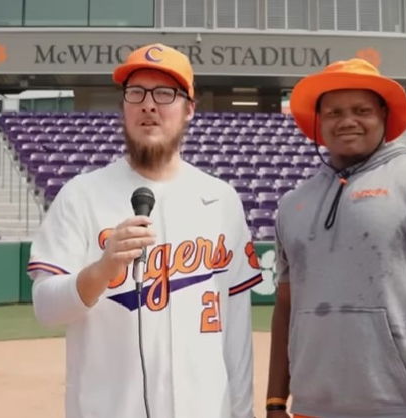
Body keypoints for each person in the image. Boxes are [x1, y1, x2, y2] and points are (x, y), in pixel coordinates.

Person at [28, 43, 262, 418]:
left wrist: (244, 412)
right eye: (136, 93)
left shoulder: (221, 198)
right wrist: (102, 269)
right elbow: (46, 308)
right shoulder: (81, 195)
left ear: (189, 110)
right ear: (123, 106)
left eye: (165, 93)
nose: (148, 105)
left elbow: (235, 330)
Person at [265, 58, 406, 418]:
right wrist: (276, 400)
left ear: (385, 116)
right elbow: (287, 306)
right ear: (318, 121)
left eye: (362, 110)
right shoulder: (293, 203)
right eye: (333, 112)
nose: (347, 121)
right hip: (311, 408)